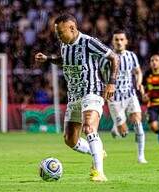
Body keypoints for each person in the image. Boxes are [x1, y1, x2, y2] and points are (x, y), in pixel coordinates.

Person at [35, 14, 119, 182]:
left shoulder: (89, 42)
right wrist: (48, 58)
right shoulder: (65, 44)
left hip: (92, 91)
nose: (58, 36)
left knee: (89, 128)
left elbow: (113, 57)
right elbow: (64, 60)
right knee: (70, 140)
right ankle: (97, 152)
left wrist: (111, 83)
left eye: (60, 32)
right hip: (74, 95)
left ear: (72, 28)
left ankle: (99, 173)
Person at [100, 30, 147, 163]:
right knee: (124, 133)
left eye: (121, 39)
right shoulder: (107, 58)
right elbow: (100, 75)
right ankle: (117, 128)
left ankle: (141, 156)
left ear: (126, 41)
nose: (119, 42)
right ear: (113, 42)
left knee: (138, 122)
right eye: (117, 40)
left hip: (130, 94)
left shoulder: (131, 56)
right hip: (114, 98)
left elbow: (138, 72)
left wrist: (139, 82)